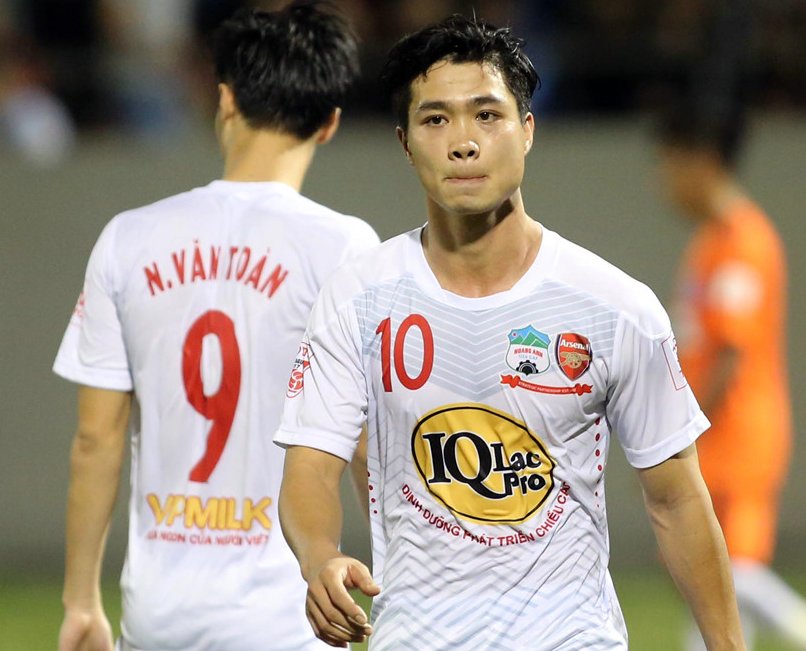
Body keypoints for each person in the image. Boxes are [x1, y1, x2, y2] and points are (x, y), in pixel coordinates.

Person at [274, 14, 746, 650]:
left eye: (487, 115)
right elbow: (309, 466)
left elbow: (678, 502)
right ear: (405, 143)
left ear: (527, 130)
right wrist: (319, 557)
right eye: (435, 120)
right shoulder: (358, 298)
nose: (463, 142)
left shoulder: (615, 308)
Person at [52, 3, 379, 650]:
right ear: (330, 123)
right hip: (289, 615)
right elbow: (370, 446)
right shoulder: (345, 247)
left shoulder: (128, 238)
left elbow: (96, 439)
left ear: (225, 99)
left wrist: (81, 599)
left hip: (161, 613)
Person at [660, 109, 806, 651]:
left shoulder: (744, 243)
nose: (665, 183)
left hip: (739, 434)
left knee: (733, 573)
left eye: (671, 166)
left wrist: (679, 432)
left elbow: (729, 353)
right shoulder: (711, 242)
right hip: (715, 434)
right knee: (710, 576)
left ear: (703, 162)